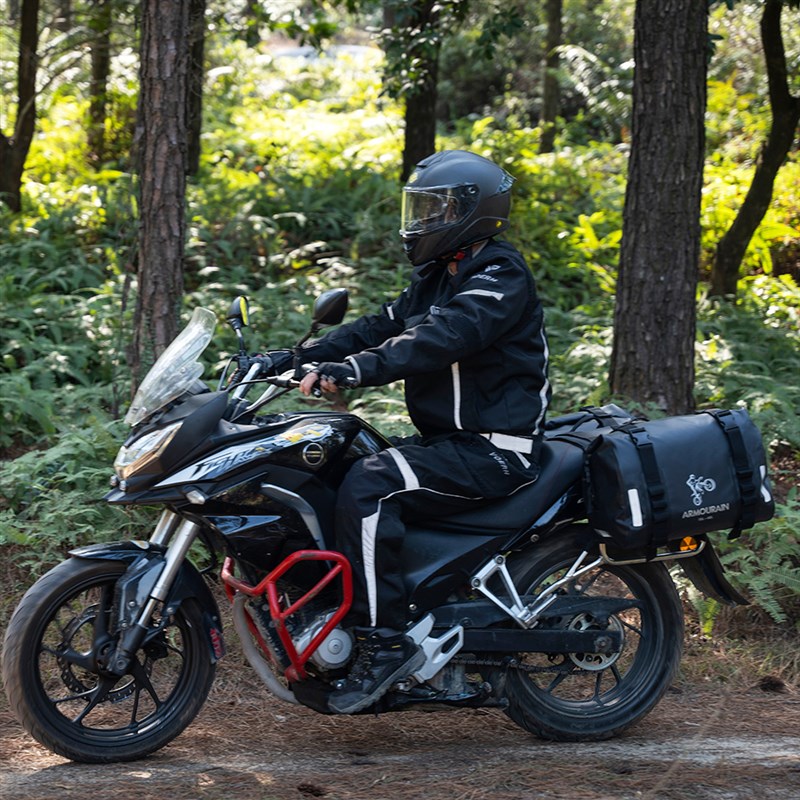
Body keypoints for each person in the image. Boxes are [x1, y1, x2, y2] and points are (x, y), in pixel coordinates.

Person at [292, 149, 551, 714]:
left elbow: (442, 337)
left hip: (494, 450)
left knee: (371, 485)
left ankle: (384, 643)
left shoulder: (500, 275)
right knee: (334, 463)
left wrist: (353, 371)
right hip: (450, 444)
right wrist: (296, 357)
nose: (423, 221)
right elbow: (378, 327)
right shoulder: (439, 276)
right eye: (422, 208)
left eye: (438, 209)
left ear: (474, 212)